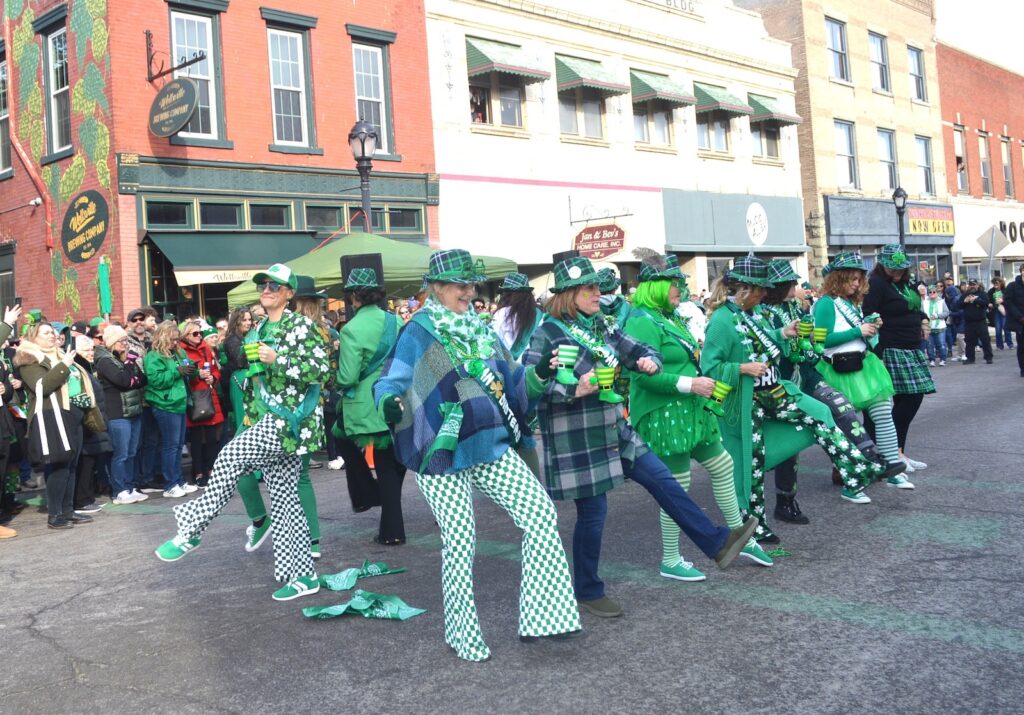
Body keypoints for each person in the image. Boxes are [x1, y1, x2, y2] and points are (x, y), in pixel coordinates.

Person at [374, 249, 581, 662]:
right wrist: (389, 404)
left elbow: (514, 380)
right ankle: (462, 634)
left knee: (541, 515)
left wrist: (541, 372)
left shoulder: (480, 329)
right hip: (441, 453)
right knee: (460, 542)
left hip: (489, 443)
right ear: (436, 288)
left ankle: (545, 617)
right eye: (460, 285)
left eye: (471, 284)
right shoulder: (419, 331)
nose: (469, 292)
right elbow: (389, 380)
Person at [524, 255, 757, 618]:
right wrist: (573, 389)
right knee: (593, 514)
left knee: (663, 480)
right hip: (578, 438)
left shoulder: (601, 324)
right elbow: (529, 387)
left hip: (614, 427)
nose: (598, 293)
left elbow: (640, 350)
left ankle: (717, 543)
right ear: (569, 295)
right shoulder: (547, 333)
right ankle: (587, 590)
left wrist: (649, 361)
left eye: (597, 287)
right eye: (589, 288)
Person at [155, 264, 329, 601]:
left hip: (292, 423)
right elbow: (256, 376)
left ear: (289, 293)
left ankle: (192, 529)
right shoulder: (260, 327)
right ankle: (304, 576)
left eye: (275, 286)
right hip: (268, 418)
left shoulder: (302, 326)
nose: (267, 290)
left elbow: (321, 371)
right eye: (264, 285)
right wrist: (252, 389)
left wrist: (278, 359)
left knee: (229, 456)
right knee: (285, 501)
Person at [701, 255, 885, 544]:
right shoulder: (722, 321)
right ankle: (754, 525)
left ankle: (857, 470)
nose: (765, 293)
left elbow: (765, 341)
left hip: (775, 391)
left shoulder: (754, 313)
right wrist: (743, 368)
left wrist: (783, 333)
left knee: (819, 414)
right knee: (751, 464)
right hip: (745, 401)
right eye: (761, 289)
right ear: (745, 289)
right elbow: (710, 368)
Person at [624, 255, 773, 581]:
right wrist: (689, 383)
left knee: (723, 465)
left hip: (691, 408)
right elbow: (641, 379)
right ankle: (670, 559)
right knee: (677, 486)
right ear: (655, 287)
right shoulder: (641, 321)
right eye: (674, 284)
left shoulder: (669, 317)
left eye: (680, 283)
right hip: (664, 414)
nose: (680, 289)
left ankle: (739, 537)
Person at [813, 252, 913, 488]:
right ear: (839, 279)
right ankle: (846, 470)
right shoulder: (826, 303)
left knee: (883, 415)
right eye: (852, 279)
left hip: (863, 365)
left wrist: (870, 330)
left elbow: (855, 335)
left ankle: (892, 466)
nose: (857, 284)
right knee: (845, 425)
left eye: (859, 279)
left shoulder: (851, 303)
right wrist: (858, 331)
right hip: (837, 368)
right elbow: (821, 340)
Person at [337, 268, 405, 545]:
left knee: (344, 440)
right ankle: (385, 517)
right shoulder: (395, 320)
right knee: (392, 464)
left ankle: (378, 509)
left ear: (354, 296)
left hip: (367, 404)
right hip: (398, 397)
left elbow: (347, 377)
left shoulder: (351, 329)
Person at [862, 244, 935, 473]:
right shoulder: (876, 284)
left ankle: (897, 451)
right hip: (890, 348)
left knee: (910, 398)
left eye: (900, 269)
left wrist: (924, 319)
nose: (896, 272)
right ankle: (892, 452)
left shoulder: (906, 283)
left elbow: (915, 308)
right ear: (882, 265)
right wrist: (877, 353)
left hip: (911, 348)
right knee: (892, 403)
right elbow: (868, 315)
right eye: (892, 268)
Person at [15, 321, 96, 529]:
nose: (52, 335)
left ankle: (68, 510)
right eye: (46, 333)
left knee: (72, 465)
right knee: (59, 465)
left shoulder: (60, 355)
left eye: (52, 332)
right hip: (52, 415)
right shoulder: (29, 358)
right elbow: (42, 386)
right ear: (34, 337)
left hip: (73, 413)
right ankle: (55, 514)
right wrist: (64, 366)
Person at [93, 325, 148, 505]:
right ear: (112, 342)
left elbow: (142, 380)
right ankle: (119, 490)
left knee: (132, 452)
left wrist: (131, 375)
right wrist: (130, 366)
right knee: (121, 453)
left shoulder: (123, 359)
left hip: (133, 411)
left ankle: (130, 487)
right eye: (121, 341)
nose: (125, 344)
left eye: (126, 340)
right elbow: (123, 381)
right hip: (117, 413)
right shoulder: (105, 361)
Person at [143, 322, 198, 498]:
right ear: (164, 338)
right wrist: (178, 371)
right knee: (171, 446)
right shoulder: (153, 356)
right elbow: (155, 380)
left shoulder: (178, 352)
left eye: (177, 339)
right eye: (173, 340)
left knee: (178, 445)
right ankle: (170, 484)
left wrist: (192, 369)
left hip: (179, 402)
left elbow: (186, 370)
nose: (176, 343)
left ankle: (178, 481)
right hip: (165, 404)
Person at [179, 319, 225, 487]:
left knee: (212, 437)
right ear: (186, 335)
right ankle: (198, 472)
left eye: (200, 333)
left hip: (209, 395)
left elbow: (216, 370)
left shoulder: (205, 348)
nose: (199, 336)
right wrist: (197, 374)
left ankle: (211, 470)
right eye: (195, 333)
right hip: (195, 397)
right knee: (197, 439)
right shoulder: (181, 351)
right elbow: (184, 374)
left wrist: (214, 377)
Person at [72, 336, 113, 514]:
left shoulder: (87, 367)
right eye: (86, 350)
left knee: (90, 462)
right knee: (85, 462)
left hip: (94, 419)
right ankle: (82, 500)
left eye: (92, 349)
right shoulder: (78, 368)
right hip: (86, 421)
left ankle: (87, 498)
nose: (90, 353)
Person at [492, 272, 543, 360]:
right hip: (533, 362)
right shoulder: (539, 314)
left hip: (508, 364)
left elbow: (494, 342)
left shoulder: (501, 313)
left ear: (506, 294)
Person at [958, 279, 993, 365]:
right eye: (970, 285)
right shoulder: (965, 294)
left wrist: (976, 300)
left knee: (985, 340)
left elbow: (987, 303)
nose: (972, 286)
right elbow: (958, 305)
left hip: (981, 321)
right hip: (969, 322)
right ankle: (970, 358)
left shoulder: (982, 293)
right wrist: (965, 301)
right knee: (969, 341)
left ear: (977, 285)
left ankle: (988, 357)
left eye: (974, 284)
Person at [1002, 264, 1024, 377]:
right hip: (1020, 321)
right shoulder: (1012, 286)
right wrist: (1020, 317)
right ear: (1021, 271)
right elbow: (1008, 303)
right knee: (1022, 347)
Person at [923, 285, 949, 366]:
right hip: (928, 327)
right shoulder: (924, 302)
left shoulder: (941, 301)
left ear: (937, 293)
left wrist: (937, 316)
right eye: (930, 292)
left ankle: (943, 359)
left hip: (940, 327)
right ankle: (932, 360)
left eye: (934, 292)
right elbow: (921, 312)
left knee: (941, 344)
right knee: (929, 345)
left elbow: (947, 312)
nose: (932, 293)